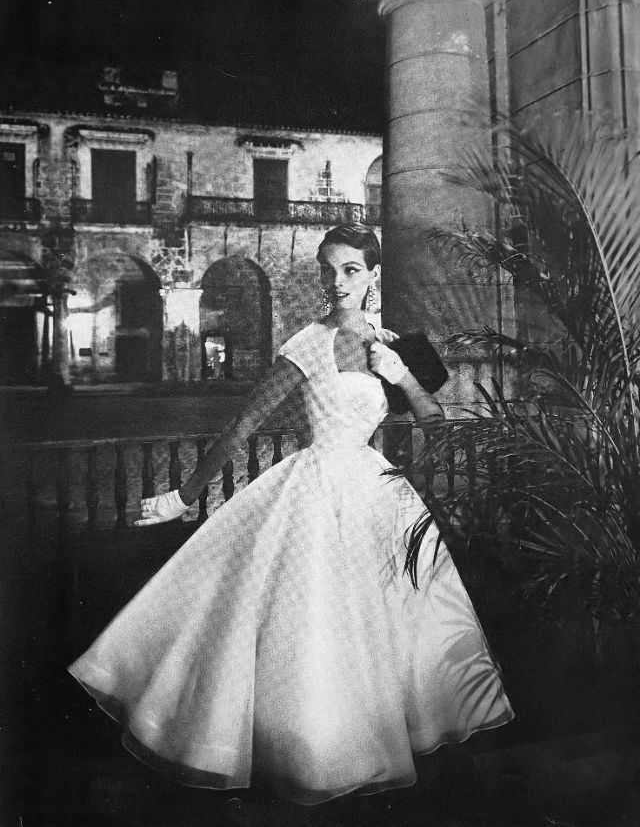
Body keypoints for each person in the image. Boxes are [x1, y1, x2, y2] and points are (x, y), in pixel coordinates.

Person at [68, 224, 513, 806]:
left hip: (378, 492)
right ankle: (315, 753)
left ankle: (379, 743)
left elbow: (435, 423)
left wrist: (400, 374)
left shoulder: (394, 343)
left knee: (391, 621)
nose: (336, 281)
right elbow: (242, 426)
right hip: (313, 491)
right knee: (315, 626)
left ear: (373, 276)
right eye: (326, 270)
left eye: (350, 269)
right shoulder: (306, 342)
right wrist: (185, 495)